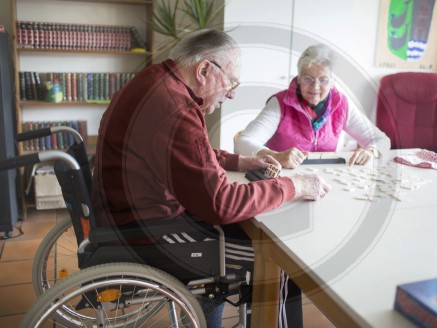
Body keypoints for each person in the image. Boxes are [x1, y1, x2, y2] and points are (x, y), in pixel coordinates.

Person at [91, 29, 331, 328]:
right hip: (149, 235)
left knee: (250, 232)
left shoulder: (158, 82)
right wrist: (294, 185)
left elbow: (190, 153)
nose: (231, 93)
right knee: (283, 260)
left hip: (131, 218)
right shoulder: (175, 108)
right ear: (204, 69)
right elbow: (220, 203)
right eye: (231, 82)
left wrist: (239, 161)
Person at [234, 44, 390, 169]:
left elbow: (382, 140)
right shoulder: (280, 104)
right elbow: (242, 143)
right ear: (299, 78)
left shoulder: (341, 103)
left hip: (326, 181)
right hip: (283, 181)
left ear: (332, 81)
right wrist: (274, 156)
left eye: (323, 80)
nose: (315, 87)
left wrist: (371, 151)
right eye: (308, 78)